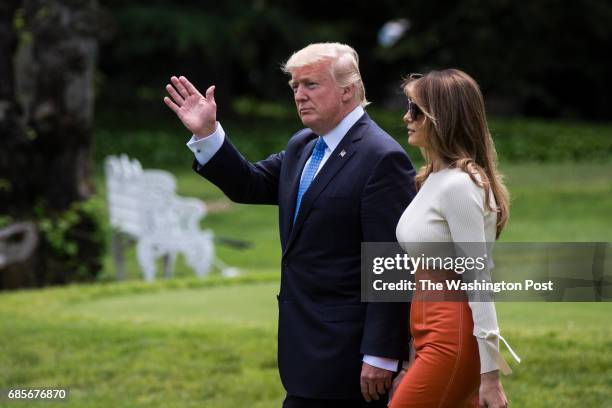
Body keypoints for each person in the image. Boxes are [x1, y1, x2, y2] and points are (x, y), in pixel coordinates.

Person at [163, 43, 416, 407]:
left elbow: (389, 264)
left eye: (311, 85)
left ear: (348, 90)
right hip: (305, 351)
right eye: (295, 86)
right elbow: (250, 184)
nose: (299, 96)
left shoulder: (382, 157)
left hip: (352, 359)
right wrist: (208, 133)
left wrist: (380, 354)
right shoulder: (303, 144)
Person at [391, 69, 520, 408]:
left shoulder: (461, 185)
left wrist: (489, 377)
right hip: (427, 330)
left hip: (452, 335)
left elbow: (478, 278)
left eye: (416, 109)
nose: (407, 117)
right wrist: (410, 354)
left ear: (442, 117)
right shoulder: (433, 177)